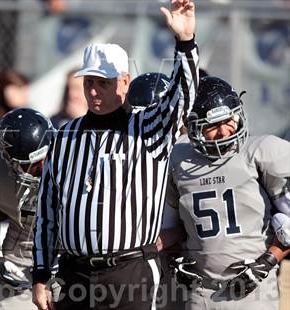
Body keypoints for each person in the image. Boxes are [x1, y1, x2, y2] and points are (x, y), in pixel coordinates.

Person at [32, 1, 199, 309]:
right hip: (75, 274)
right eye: (89, 83)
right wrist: (41, 274)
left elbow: (182, 98)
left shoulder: (148, 128)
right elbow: (47, 213)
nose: (94, 91)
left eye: (103, 83)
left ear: (124, 82)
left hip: (130, 271)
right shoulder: (65, 136)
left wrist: (185, 42)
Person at [158, 76, 290, 309]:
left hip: (254, 289)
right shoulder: (177, 158)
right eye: (212, 126)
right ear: (192, 127)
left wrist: (267, 262)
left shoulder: (261, 152)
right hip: (200, 290)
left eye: (229, 120)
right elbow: (170, 229)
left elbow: (288, 227)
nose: (224, 132)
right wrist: (173, 259)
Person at [0, 108, 55, 309]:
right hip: (20, 257)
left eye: (46, 158)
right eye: (34, 165)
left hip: (65, 257)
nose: (43, 168)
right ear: (8, 159)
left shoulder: (73, 158)